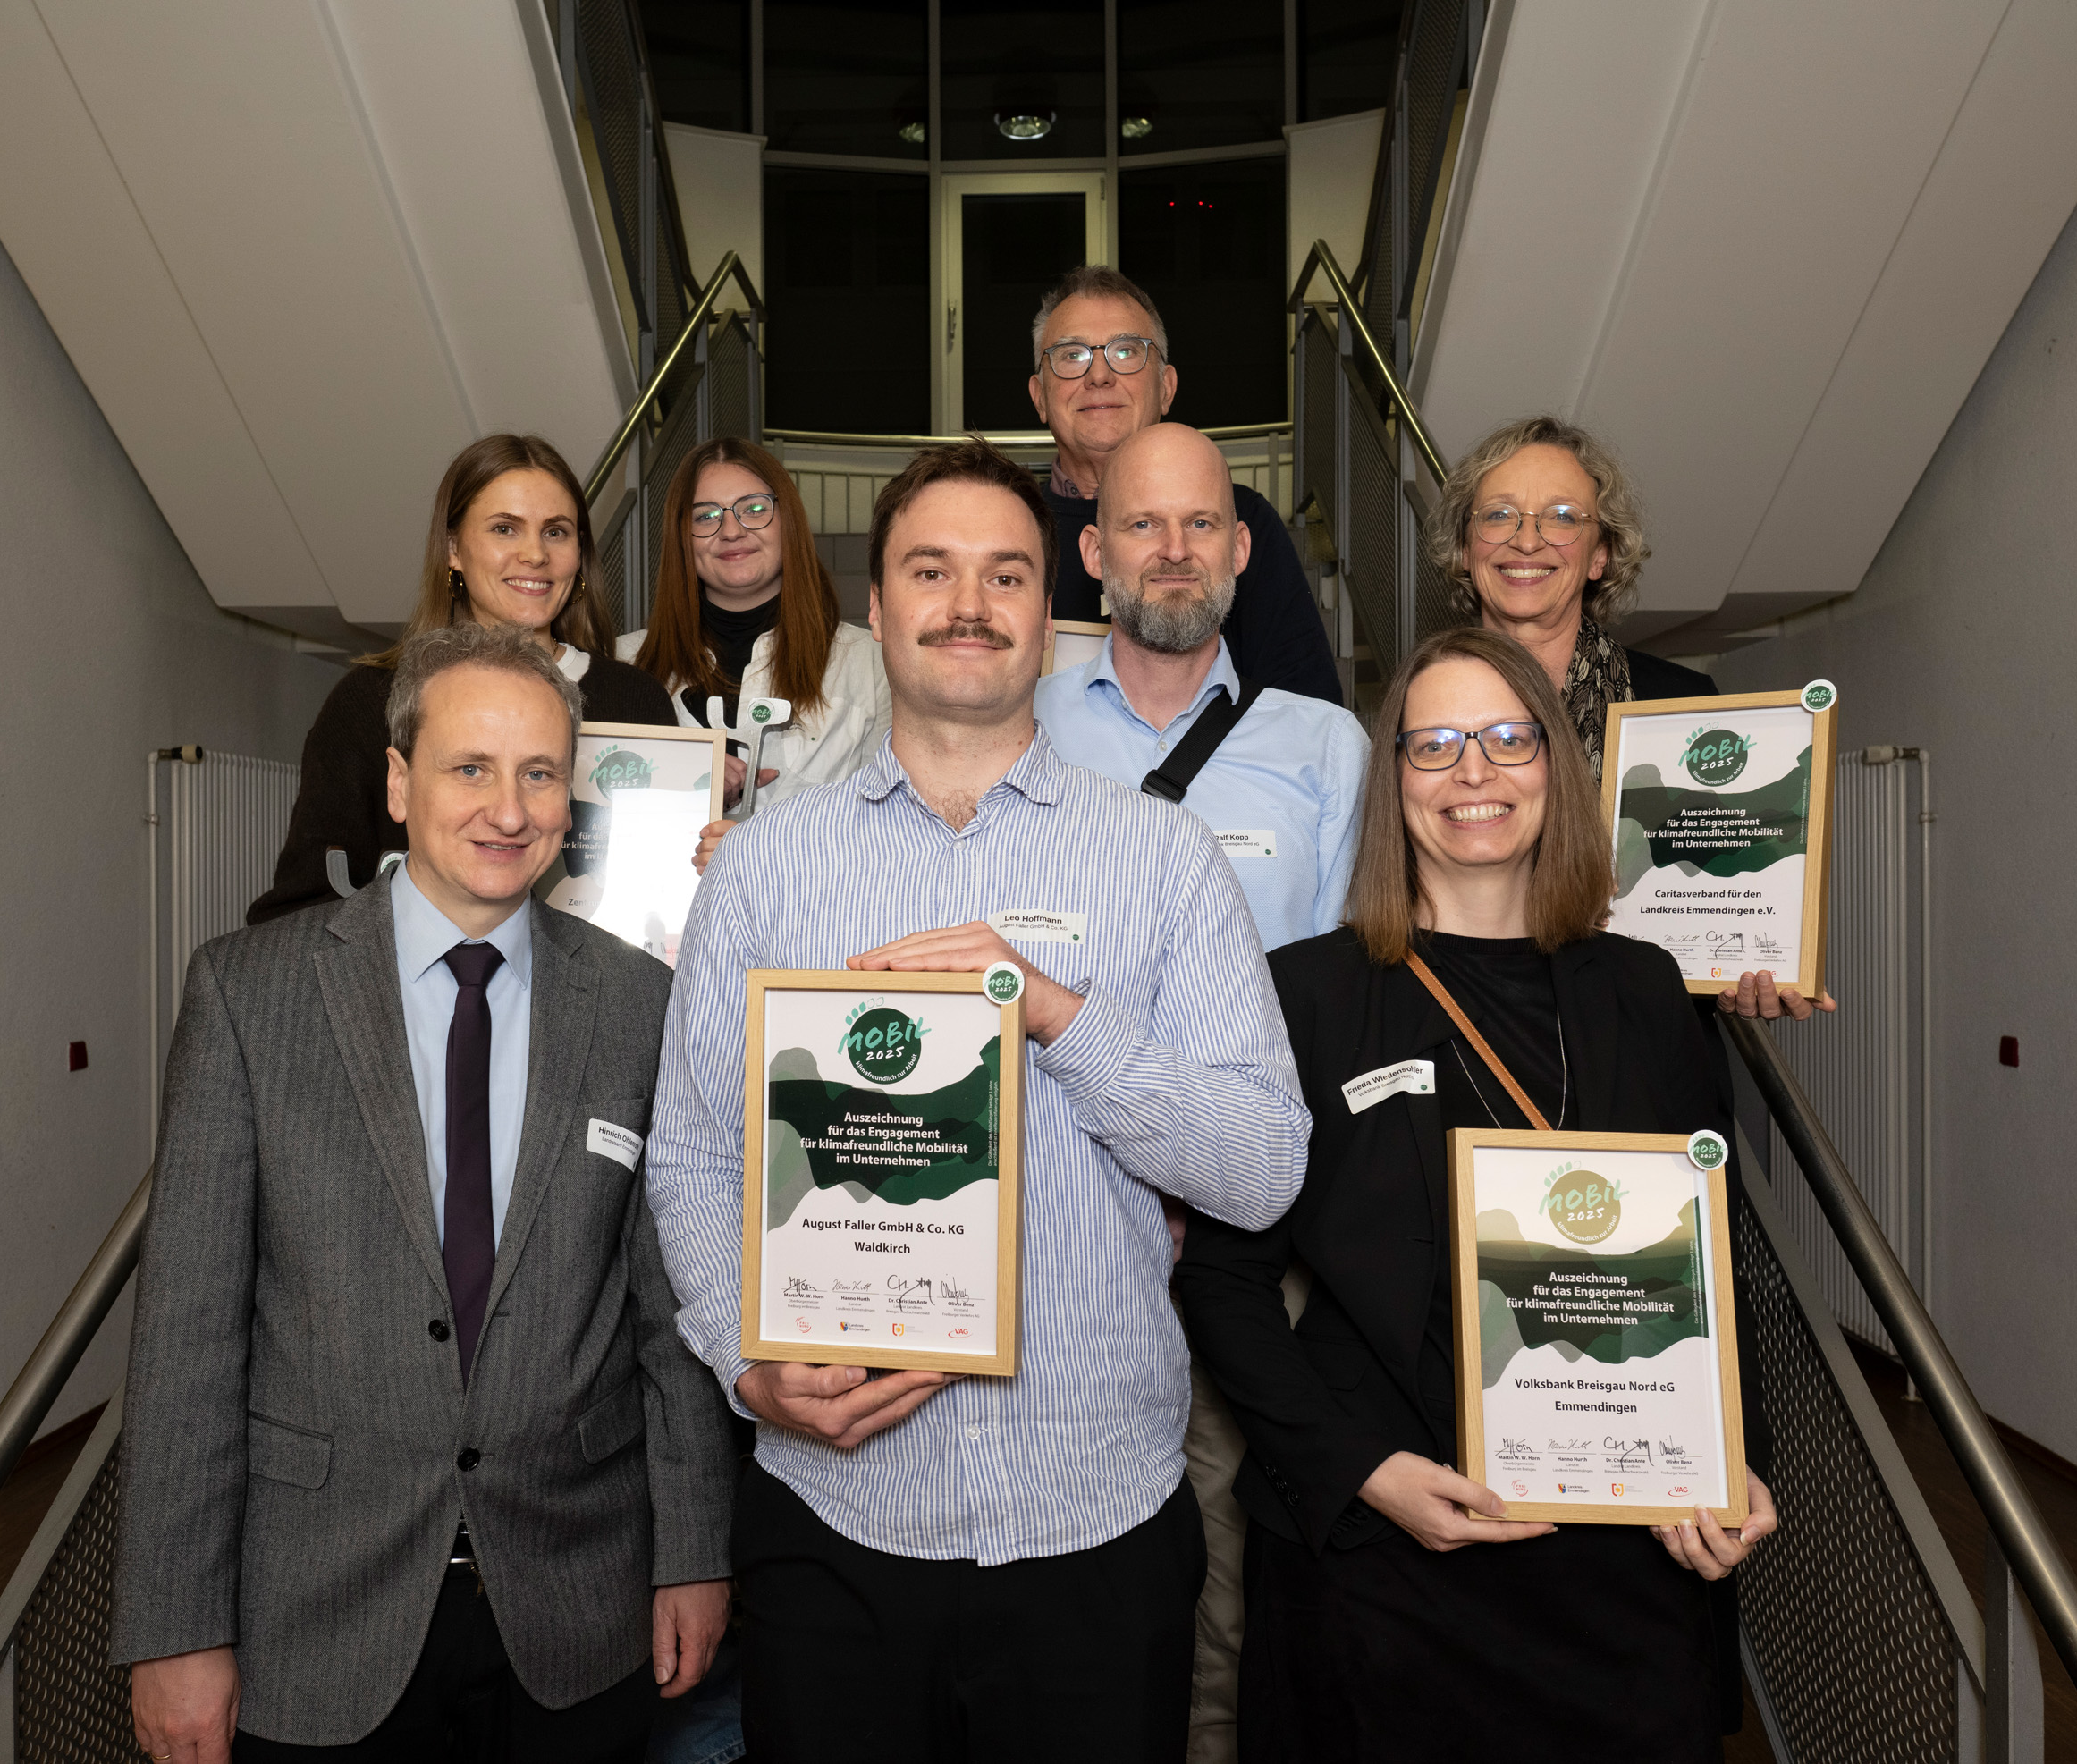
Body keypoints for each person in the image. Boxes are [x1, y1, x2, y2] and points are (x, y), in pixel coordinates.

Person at [643, 437, 1311, 1761]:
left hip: (1098, 1522)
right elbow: (695, 1160)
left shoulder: (1164, 858)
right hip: (835, 1520)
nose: (967, 603)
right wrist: (746, 1363)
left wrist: (1058, 1015)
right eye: (929, 570)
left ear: (1050, 617)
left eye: (1005, 574)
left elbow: (1260, 1164)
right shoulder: (768, 867)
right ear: (875, 607)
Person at [115, 621, 737, 1761]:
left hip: (575, 1608)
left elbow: (669, 1309)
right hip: (315, 1618)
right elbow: (186, 1340)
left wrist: (693, 1552)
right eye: (470, 768)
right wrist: (175, 1627)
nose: (508, 809)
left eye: (539, 773)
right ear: (399, 783)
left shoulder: (638, 1003)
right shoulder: (249, 996)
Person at [1177, 624, 1780, 1764]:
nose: (1473, 771)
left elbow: (1710, 1264)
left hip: (1619, 1558)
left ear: (1553, 761)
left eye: (1508, 738)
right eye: (1435, 744)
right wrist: (1362, 1472)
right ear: (1392, 777)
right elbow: (1220, 1281)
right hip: (1385, 1563)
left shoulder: (1643, 988)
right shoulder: (1306, 994)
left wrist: (1726, 1453)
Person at [1030, 420, 1364, 1764]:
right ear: (1092, 551)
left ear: (1238, 550)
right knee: (1054, 1550)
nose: (1172, 549)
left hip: (1241, 1229)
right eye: (1141, 523)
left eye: (1200, 524)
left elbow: (1344, 1003)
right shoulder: (1018, 723)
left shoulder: (1326, 747)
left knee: (1222, 1557)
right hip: (1052, 1211)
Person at [1432, 415, 1828, 1022]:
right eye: (1499, 514)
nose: (1527, 541)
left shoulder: (1680, 705)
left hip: (1643, 1034)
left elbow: (1718, 879)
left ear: (1600, 556)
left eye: (1563, 517)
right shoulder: (1422, 711)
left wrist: (1752, 960)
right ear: (1465, 549)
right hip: (1468, 1023)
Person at [248, 434, 679, 925]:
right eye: (505, 529)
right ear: (453, 549)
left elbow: (665, 885)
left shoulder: (635, 699)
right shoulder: (370, 701)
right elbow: (300, 911)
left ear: (579, 553)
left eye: (556, 532)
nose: (535, 554)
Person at [1027, 265, 1344, 706]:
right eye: (1072, 355)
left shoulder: (1239, 520)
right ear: (1040, 396)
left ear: (1166, 387)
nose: (1098, 375)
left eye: (1126, 351)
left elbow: (1307, 708)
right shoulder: (1011, 530)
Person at [617, 436, 891, 814]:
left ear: (788, 521)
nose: (731, 531)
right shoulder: (622, 664)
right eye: (706, 516)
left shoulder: (870, 663)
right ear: (682, 537)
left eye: (755, 508)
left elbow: (890, 817)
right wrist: (678, 784)